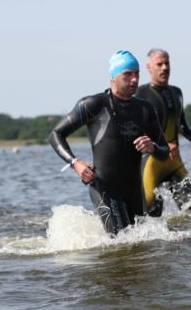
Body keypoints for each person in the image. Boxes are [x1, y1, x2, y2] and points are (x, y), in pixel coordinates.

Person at [49, 50, 170, 236]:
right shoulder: (93, 105)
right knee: (121, 240)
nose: (134, 80)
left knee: (137, 248)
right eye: (127, 74)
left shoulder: (145, 108)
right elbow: (56, 134)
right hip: (105, 187)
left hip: (135, 190)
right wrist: (75, 163)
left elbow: (164, 150)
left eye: (137, 74)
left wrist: (152, 147)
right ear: (113, 77)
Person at [136, 48, 191, 215]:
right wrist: (163, 144)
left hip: (174, 162)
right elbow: (138, 128)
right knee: (151, 219)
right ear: (149, 67)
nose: (164, 68)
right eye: (159, 64)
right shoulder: (141, 93)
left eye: (167, 63)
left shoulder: (176, 92)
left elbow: (181, 123)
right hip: (151, 164)